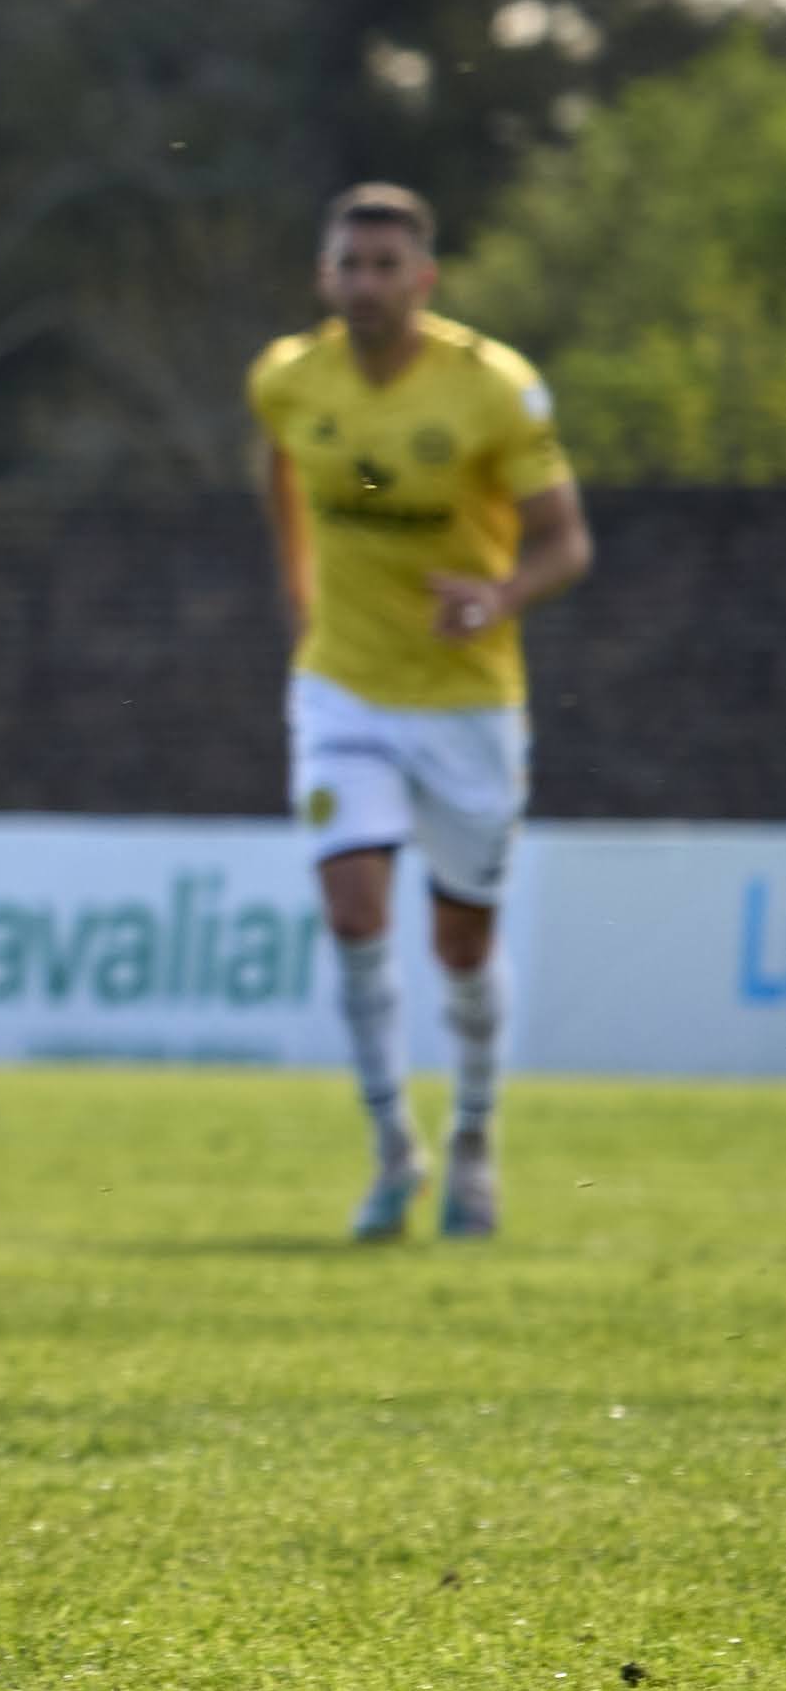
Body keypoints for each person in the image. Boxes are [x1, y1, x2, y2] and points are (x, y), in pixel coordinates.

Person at [247, 184, 588, 1242]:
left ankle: (475, 1143)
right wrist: (295, 587)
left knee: (459, 941)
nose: (366, 284)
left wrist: (499, 596)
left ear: (423, 279)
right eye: (348, 264)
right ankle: (394, 1145)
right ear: (324, 275)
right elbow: (279, 471)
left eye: (386, 266)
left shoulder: (492, 390)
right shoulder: (287, 378)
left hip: (465, 701)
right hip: (341, 685)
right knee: (352, 908)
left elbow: (564, 541)